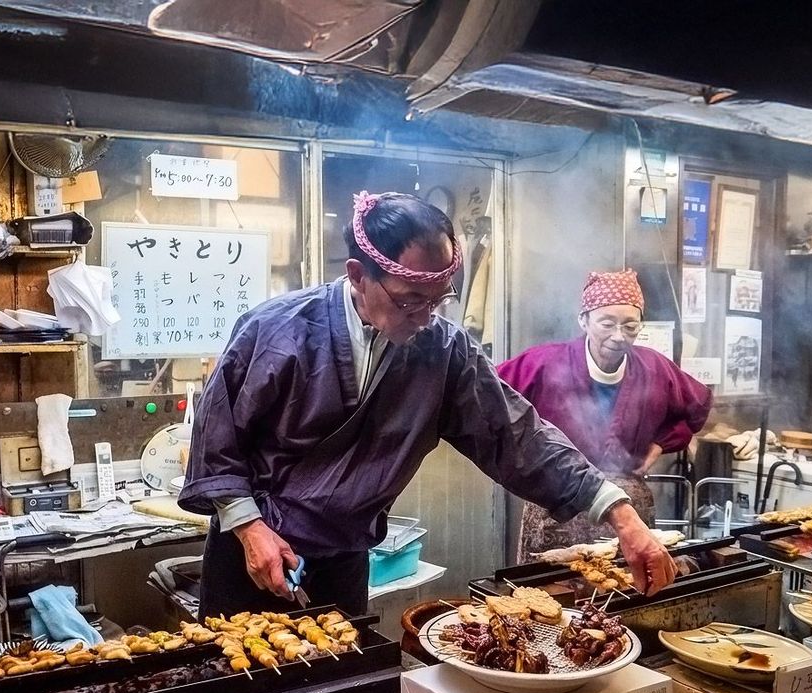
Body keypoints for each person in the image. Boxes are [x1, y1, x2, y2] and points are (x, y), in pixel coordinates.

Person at [179, 192, 677, 618]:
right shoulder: (276, 329)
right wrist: (247, 528)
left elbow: (518, 436)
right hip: (251, 553)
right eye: (410, 299)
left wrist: (621, 515)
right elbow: (219, 442)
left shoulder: (443, 351)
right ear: (358, 275)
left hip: (343, 558)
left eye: (439, 299)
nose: (425, 316)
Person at [497, 270, 713, 559]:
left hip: (628, 510)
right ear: (584, 320)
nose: (618, 336)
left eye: (630, 326)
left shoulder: (654, 368)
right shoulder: (544, 363)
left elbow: (696, 406)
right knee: (547, 596)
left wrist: (660, 445)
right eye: (607, 323)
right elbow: (489, 400)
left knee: (628, 593)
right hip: (555, 508)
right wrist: (525, 458)